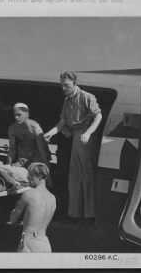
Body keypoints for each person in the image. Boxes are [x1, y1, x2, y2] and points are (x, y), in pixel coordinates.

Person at [44, 71, 102, 226]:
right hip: (75, 137)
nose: (63, 88)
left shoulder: (87, 97)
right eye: (62, 85)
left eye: (67, 85)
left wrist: (89, 133)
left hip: (85, 136)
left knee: (87, 175)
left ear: (75, 83)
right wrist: (51, 132)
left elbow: (98, 116)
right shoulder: (67, 100)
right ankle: (74, 213)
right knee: (74, 176)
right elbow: (62, 122)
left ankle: (90, 215)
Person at [8, 162, 56, 253]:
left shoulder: (28, 194)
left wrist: (17, 206)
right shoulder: (53, 198)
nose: (28, 178)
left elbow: (13, 219)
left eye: (30, 175)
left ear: (39, 177)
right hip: (45, 242)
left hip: (30, 241)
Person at [7, 103, 50, 168]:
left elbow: (42, 150)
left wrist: (46, 168)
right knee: (13, 173)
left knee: (35, 174)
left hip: (37, 157)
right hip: (23, 157)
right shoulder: (12, 128)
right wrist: (8, 166)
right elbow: (12, 149)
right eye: (15, 115)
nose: (16, 117)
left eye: (19, 114)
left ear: (27, 114)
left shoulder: (35, 127)